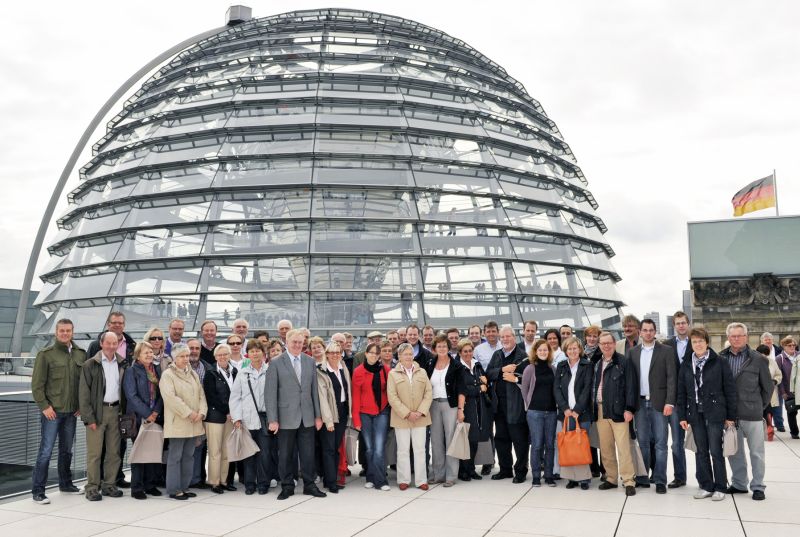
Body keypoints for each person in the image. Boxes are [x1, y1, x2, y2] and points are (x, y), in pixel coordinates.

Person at [265, 328, 326, 499]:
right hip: (285, 418)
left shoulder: (309, 361)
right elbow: (270, 393)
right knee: (285, 454)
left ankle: (309, 485)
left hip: (307, 417)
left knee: (308, 454)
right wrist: (273, 419)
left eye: (300, 342)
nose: (298, 345)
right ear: (287, 343)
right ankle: (287, 486)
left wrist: (318, 416)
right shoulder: (276, 362)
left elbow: (314, 390)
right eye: (294, 342)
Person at [676, 327, 737, 501]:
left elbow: (730, 390)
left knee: (716, 451)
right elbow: (681, 392)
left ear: (707, 342)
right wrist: (682, 416)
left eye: (701, 341)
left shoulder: (719, 362)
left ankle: (720, 487)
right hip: (695, 413)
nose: (698, 344)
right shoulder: (687, 363)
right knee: (701, 451)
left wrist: (730, 416)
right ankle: (706, 485)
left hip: (715, 413)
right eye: (694, 341)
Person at [31, 319, 87, 504]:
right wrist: (44, 406)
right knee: (45, 451)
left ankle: (66, 484)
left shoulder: (81, 354)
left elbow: (83, 384)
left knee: (67, 451)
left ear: (73, 332)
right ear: (56, 332)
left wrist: (80, 404)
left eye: (68, 330)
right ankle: (38, 491)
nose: (65, 333)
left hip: (71, 412)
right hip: (52, 412)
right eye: (61, 330)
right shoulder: (46, 355)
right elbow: (37, 385)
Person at [721, 322, 772, 500]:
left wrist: (759, 406)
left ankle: (758, 486)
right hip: (730, 416)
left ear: (746, 337)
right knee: (735, 452)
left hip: (753, 414)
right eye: (733, 336)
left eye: (740, 335)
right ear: (728, 338)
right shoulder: (721, 358)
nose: (737, 339)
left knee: (757, 452)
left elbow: (768, 388)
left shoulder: (758, 359)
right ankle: (739, 484)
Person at [87, 311, 136, 488]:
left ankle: (113, 480)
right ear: (108, 324)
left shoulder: (130, 348)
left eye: (120, 323)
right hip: (100, 408)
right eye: (114, 322)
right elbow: (87, 383)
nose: (117, 325)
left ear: (124, 325)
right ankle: (94, 483)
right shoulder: (94, 350)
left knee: (116, 448)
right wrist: (88, 414)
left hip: (120, 406)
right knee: (97, 450)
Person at [627, 318, 676, 493]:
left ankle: (660, 479)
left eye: (651, 330)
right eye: (645, 330)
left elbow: (672, 378)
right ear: (640, 332)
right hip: (639, 403)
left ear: (655, 332)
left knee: (661, 443)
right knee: (643, 442)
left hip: (660, 403)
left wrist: (670, 402)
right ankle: (642, 477)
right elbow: (629, 380)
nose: (648, 333)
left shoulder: (666, 351)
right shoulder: (632, 352)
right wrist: (629, 405)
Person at [79, 331, 126, 501]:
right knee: (95, 453)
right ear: (102, 344)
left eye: (115, 343)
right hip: (98, 413)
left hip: (116, 412)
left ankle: (109, 485)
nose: (112, 346)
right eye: (109, 343)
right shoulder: (90, 365)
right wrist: (88, 418)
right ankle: (92, 487)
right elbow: (83, 395)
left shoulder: (122, 363)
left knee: (114, 452)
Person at [160, 343, 208, 500]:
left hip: (194, 422)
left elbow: (201, 394)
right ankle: (174, 489)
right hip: (179, 423)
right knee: (175, 457)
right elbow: (171, 398)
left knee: (189, 456)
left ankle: (184, 486)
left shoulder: (193, 373)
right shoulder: (168, 375)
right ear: (174, 357)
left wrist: (201, 412)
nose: (186, 359)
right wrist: (189, 413)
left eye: (187, 356)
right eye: (182, 356)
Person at [593, 332, 637, 496]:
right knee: (606, 447)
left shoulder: (624, 362)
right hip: (600, 410)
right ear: (599, 346)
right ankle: (611, 478)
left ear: (614, 344)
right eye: (602, 343)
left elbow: (631, 387)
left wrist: (629, 408)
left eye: (609, 343)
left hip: (619, 410)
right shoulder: (597, 363)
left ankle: (628, 481)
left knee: (623, 448)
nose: (606, 346)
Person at [230, 339, 275, 495]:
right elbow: (235, 397)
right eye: (252, 351)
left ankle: (263, 483)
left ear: (263, 353)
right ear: (247, 354)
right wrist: (236, 418)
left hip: (265, 419)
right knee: (249, 454)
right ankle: (250, 483)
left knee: (264, 454)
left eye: (258, 350)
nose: (255, 353)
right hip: (247, 420)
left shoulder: (270, 371)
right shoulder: (242, 373)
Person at [486, 325, 529, 483]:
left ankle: (521, 471)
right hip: (499, 405)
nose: (505, 339)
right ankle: (505, 469)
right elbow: (488, 374)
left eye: (508, 336)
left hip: (516, 405)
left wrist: (515, 376)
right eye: (502, 337)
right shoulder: (497, 355)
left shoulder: (523, 356)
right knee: (501, 439)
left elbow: (528, 380)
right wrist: (502, 370)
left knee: (519, 440)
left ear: (514, 337)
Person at [387, 343, 433, 490]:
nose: (408, 356)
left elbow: (428, 393)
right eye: (405, 354)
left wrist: (420, 412)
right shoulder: (392, 374)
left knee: (420, 449)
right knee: (403, 450)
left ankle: (421, 480)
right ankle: (404, 479)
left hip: (421, 418)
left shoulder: (422, 372)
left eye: (410, 354)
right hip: (401, 418)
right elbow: (392, 397)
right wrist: (407, 413)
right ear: (399, 357)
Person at [123, 342, 164, 500]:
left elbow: (162, 393)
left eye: (150, 352)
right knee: (139, 453)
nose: (149, 355)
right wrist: (147, 414)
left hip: (155, 417)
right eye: (145, 352)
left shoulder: (156, 370)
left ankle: (150, 485)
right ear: (138, 355)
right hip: (139, 418)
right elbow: (131, 396)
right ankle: (137, 487)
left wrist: (155, 412)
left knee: (152, 452)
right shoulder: (131, 371)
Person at [554, 336, 593, 490]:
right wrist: (565, 408)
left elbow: (587, 389)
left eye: (575, 348)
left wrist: (577, 409)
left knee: (581, 445)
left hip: (581, 413)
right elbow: (556, 388)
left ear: (579, 349)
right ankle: (571, 478)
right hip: (565, 413)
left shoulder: (587, 365)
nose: (572, 351)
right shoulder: (561, 366)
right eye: (569, 349)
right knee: (568, 446)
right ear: (565, 351)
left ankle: (584, 479)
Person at [426, 334, 465, 487]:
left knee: (451, 440)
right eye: (439, 346)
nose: (442, 348)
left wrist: (460, 410)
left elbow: (462, 389)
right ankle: (438, 474)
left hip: (451, 406)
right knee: (435, 441)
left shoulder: (456, 366)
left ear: (449, 348)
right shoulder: (430, 364)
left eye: (444, 346)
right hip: (433, 405)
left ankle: (451, 476)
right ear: (434, 349)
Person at [352, 342, 391, 491]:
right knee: (369, 449)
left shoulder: (385, 370)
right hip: (364, 414)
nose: (374, 355)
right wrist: (356, 419)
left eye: (376, 353)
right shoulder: (358, 371)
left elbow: (390, 393)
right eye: (371, 352)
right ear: (366, 354)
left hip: (381, 413)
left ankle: (381, 481)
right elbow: (355, 397)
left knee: (379, 448)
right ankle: (370, 476)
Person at [521, 339, 557, 487]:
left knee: (549, 445)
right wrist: (529, 405)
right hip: (535, 413)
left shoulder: (553, 369)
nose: (543, 352)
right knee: (536, 445)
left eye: (545, 350)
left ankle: (548, 475)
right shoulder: (530, 369)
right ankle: (536, 476)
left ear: (549, 352)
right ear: (535, 352)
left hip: (551, 412)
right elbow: (524, 389)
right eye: (540, 350)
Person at [317, 342, 352, 493]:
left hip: (343, 413)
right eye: (332, 352)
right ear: (326, 354)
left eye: (338, 352)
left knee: (336, 448)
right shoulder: (322, 371)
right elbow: (322, 398)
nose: (335, 355)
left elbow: (348, 390)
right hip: (330, 415)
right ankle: (331, 482)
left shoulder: (343, 368)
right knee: (329, 449)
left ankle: (331, 478)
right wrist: (328, 420)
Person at [662, 311, 691, 488]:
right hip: (668, 398)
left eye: (683, 323)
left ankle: (686, 477)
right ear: (674, 326)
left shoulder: (695, 342)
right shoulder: (666, 345)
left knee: (682, 442)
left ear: (688, 324)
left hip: (688, 398)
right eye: (677, 323)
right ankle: (671, 476)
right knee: (668, 442)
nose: (681, 326)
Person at [456, 338, 492, 481]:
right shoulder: (457, 367)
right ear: (460, 352)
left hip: (479, 407)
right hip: (465, 406)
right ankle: (463, 470)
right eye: (465, 351)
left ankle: (471, 469)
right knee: (466, 439)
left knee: (475, 438)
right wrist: (479, 388)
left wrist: (484, 383)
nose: (468, 353)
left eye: (470, 350)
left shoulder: (477, 365)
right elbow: (461, 388)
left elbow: (484, 382)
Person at [203, 344, 237, 494]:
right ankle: (214, 482)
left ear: (229, 355)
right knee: (215, 451)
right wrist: (226, 411)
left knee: (226, 450)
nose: (222, 357)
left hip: (231, 417)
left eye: (225, 354)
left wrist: (233, 412)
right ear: (215, 357)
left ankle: (224, 481)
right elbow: (211, 396)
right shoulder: (210, 373)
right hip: (215, 417)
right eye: (219, 355)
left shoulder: (235, 371)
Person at [185, 338, 209, 489]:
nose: (194, 351)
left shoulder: (207, 368)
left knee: (200, 446)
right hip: (185, 414)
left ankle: (197, 479)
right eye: (191, 348)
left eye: (197, 348)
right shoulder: (178, 368)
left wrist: (202, 412)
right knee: (185, 449)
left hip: (202, 413)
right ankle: (186, 480)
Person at [582, 324, 604, 478]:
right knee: (588, 435)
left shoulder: (602, 353)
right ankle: (593, 467)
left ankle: (604, 468)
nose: (591, 338)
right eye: (589, 336)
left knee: (602, 436)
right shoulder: (580, 353)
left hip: (598, 400)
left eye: (594, 336)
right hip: (584, 401)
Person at [776, 336, 798, 438]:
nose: (792, 347)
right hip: (788, 391)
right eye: (789, 345)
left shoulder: (799, 356)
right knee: (792, 412)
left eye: (794, 345)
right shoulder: (779, 359)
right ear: (784, 346)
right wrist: (783, 392)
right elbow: (779, 377)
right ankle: (794, 433)